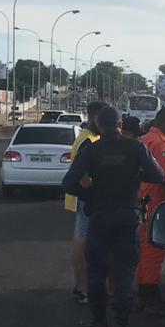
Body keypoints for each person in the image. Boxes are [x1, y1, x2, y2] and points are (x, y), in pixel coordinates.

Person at [61, 106, 164, 327]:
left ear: (99, 124)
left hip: (99, 215)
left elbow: (68, 184)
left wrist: (89, 195)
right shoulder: (135, 147)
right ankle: (121, 326)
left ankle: (99, 322)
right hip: (128, 216)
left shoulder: (92, 150)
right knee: (125, 272)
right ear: (119, 124)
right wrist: (135, 175)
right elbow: (158, 176)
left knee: (97, 271)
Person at [137, 106, 165, 313]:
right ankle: (149, 294)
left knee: (146, 248)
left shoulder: (147, 139)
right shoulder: (160, 144)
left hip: (148, 201)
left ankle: (144, 292)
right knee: (153, 251)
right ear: (161, 121)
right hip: (158, 204)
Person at [63, 102, 103, 303]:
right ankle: (84, 287)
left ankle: (80, 286)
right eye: (101, 118)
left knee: (80, 238)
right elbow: (84, 176)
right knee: (82, 241)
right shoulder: (88, 140)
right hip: (84, 197)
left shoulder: (89, 137)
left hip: (80, 196)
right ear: (93, 116)